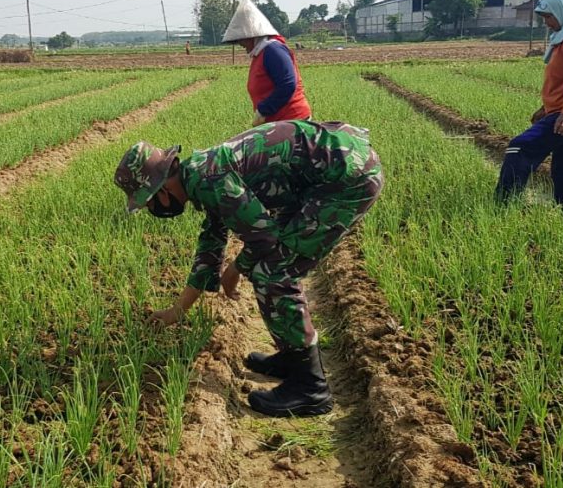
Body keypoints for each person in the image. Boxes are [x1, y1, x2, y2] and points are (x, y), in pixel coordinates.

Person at [114, 120, 383, 417]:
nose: (154, 209)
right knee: (270, 267)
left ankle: (310, 388)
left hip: (346, 179)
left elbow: (264, 238)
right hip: (325, 177)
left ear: (161, 190)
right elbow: (211, 243)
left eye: (149, 203)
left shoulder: (211, 178)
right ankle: (292, 358)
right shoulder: (199, 174)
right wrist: (177, 311)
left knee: (274, 273)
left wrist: (235, 269)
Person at [495, 0, 563, 207]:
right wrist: (546, 108)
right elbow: (560, 80)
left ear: (561, 11)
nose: (546, 22)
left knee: (519, 148)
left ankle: (503, 205)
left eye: (548, 17)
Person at [222, 0, 312, 127]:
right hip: (277, 122)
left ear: (252, 35)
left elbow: (288, 84)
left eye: (241, 39)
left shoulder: (273, 50)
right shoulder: (260, 53)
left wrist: (263, 110)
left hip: (292, 121)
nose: (240, 44)